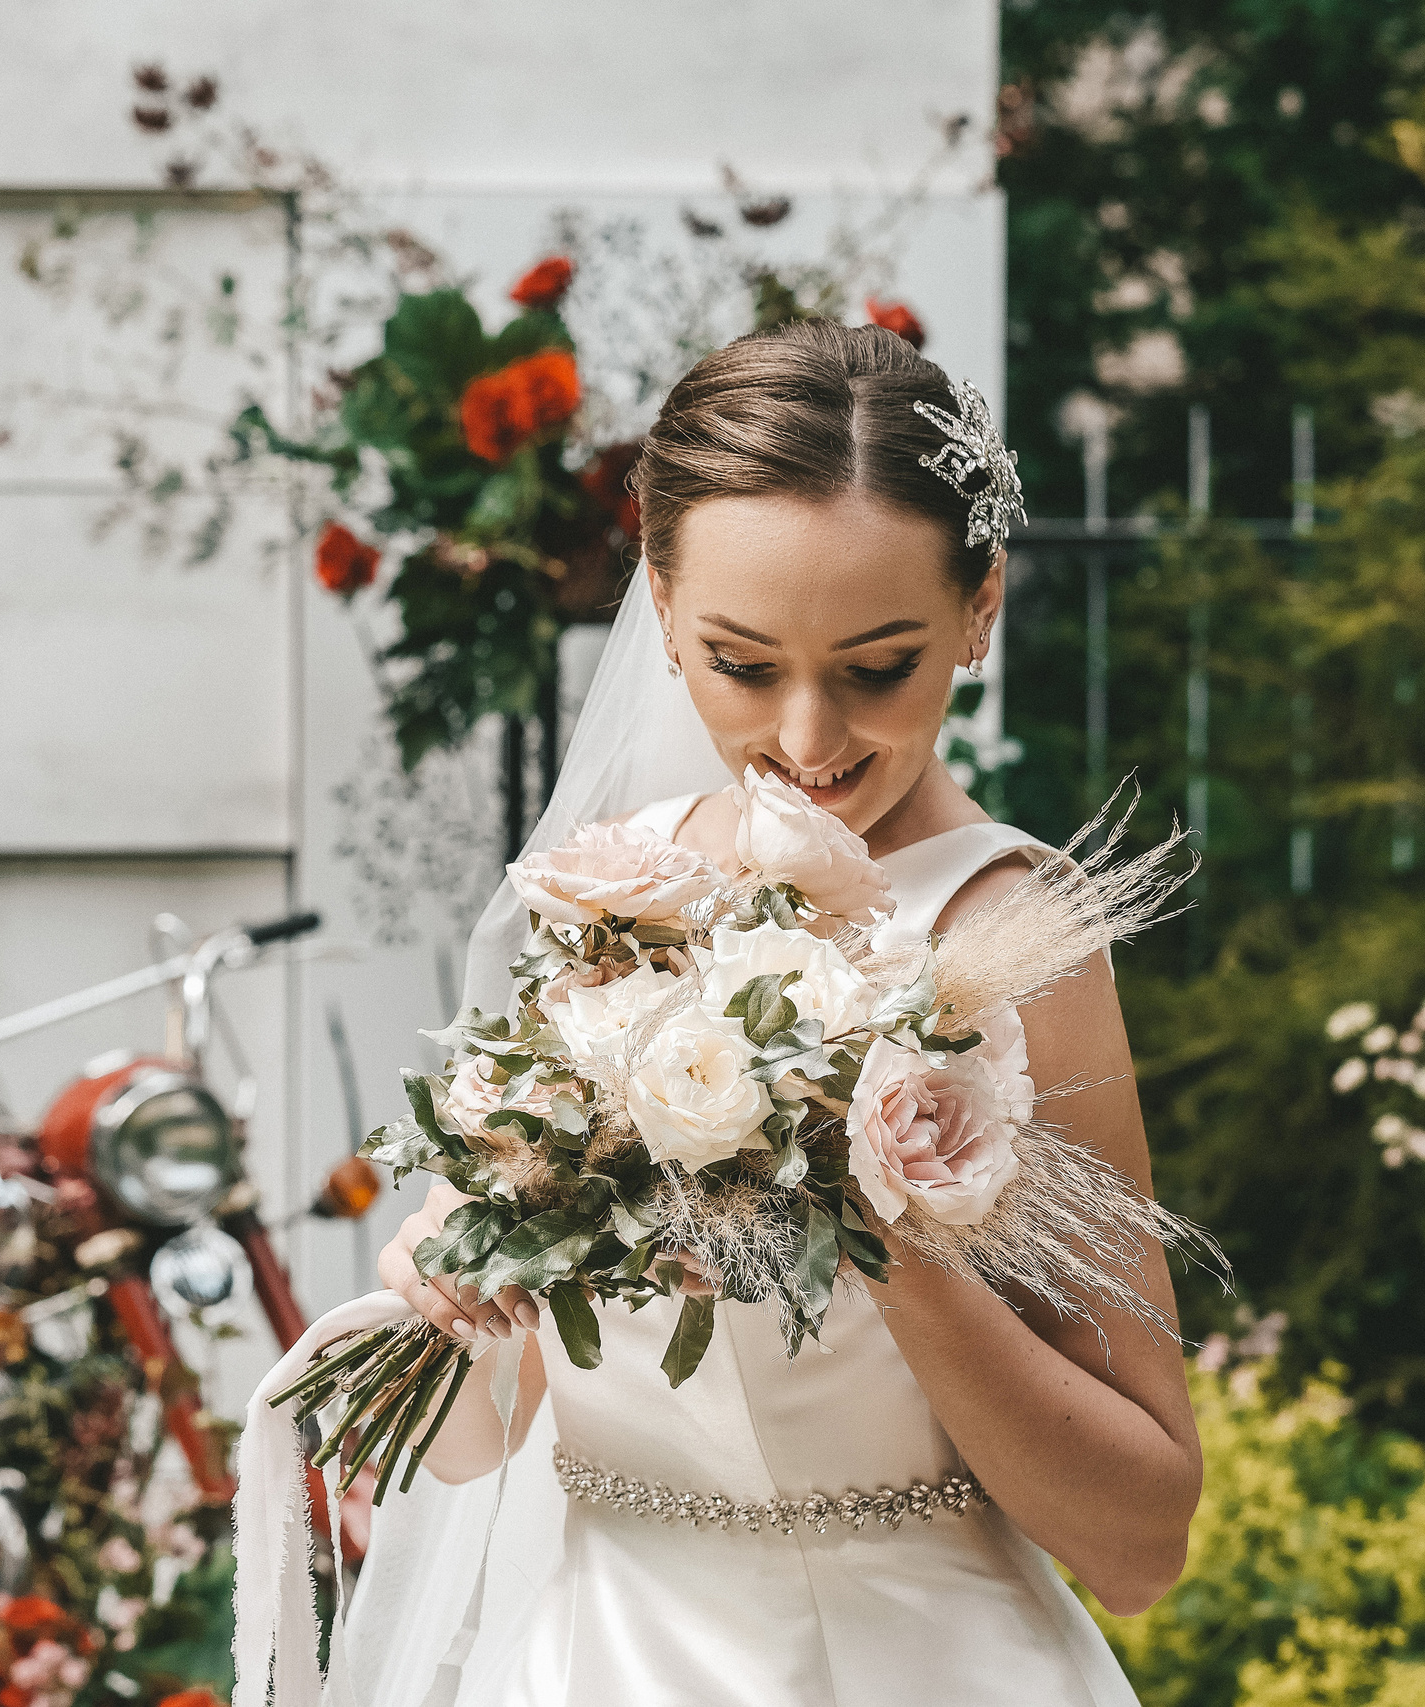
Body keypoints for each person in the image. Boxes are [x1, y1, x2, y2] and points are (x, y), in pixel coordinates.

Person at [257, 321, 1197, 1707]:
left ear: (981, 605)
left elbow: (1142, 1540)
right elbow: (477, 1449)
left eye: (877, 667)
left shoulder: (1014, 940)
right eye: (743, 665)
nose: (809, 746)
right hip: (592, 1667)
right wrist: (462, 1292)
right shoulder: (601, 896)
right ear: (660, 599)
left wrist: (881, 1229)